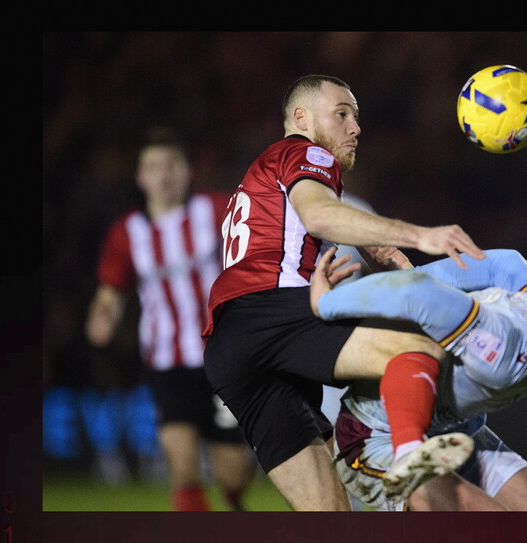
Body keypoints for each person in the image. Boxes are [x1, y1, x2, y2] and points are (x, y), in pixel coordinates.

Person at [202, 74, 487, 511]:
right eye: (341, 114)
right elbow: (320, 216)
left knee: (330, 514)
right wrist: (422, 235)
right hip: (275, 313)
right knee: (418, 353)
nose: (355, 128)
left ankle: (391, 464)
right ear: (301, 118)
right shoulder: (305, 151)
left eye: (355, 117)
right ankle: (406, 454)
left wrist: (403, 265)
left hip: (230, 345)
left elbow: (356, 236)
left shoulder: (262, 175)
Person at [308, 247, 527, 511]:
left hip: (452, 433)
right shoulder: (500, 347)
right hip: (374, 438)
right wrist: (327, 303)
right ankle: (410, 454)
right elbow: (415, 293)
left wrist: (426, 275)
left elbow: (505, 263)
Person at [86, 126, 258, 511]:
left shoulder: (215, 210)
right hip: (166, 362)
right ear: (140, 177)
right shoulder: (127, 233)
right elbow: (110, 292)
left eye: (171, 165)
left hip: (220, 358)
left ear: (187, 171)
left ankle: (236, 491)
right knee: (182, 468)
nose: (163, 175)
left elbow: (251, 255)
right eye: (153, 167)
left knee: (231, 474)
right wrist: (102, 316)